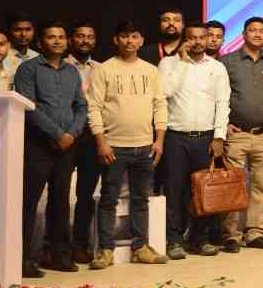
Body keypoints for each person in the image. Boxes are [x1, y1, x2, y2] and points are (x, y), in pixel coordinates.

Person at [86, 20, 168, 269]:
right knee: (108, 199)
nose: (129, 41)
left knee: (141, 199)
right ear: (116, 40)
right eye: (124, 36)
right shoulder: (104, 69)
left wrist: (159, 140)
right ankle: (106, 250)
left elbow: (160, 104)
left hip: (145, 146)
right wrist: (101, 141)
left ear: (141, 41)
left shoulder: (151, 70)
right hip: (113, 146)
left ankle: (140, 248)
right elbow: (94, 107)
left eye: (134, 36)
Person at [12, 23, 87, 277]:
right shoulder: (28, 69)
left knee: (61, 201)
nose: (57, 41)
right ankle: (22, 260)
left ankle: (59, 256)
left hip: (67, 146)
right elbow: (29, 106)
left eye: (61, 37)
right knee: (28, 202)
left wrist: (72, 133)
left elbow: (81, 106)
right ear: (40, 42)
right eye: (51, 37)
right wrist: (57, 134)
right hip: (37, 145)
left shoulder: (72, 71)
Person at [158, 23, 230, 257]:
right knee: (174, 190)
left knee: (203, 191)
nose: (197, 42)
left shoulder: (217, 67)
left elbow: (223, 103)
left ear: (207, 39)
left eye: (202, 37)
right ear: (184, 39)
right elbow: (165, 92)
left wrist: (219, 136)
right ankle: (174, 240)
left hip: (206, 138)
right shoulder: (168, 63)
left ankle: (199, 239)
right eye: (192, 38)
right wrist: (181, 61)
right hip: (176, 137)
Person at [220, 17, 263, 250]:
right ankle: (231, 234)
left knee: (262, 185)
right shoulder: (228, 62)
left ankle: (255, 232)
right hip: (236, 134)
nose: (257, 34)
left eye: (261, 31)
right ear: (243, 34)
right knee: (233, 184)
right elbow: (218, 96)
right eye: (252, 30)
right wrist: (224, 124)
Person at [60, 20, 103, 265]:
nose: (85, 40)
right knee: (60, 192)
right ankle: (56, 245)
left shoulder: (101, 68)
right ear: (71, 39)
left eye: (90, 36)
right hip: (65, 135)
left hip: (91, 135)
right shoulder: (60, 66)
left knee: (86, 194)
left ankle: (80, 244)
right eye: (80, 36)